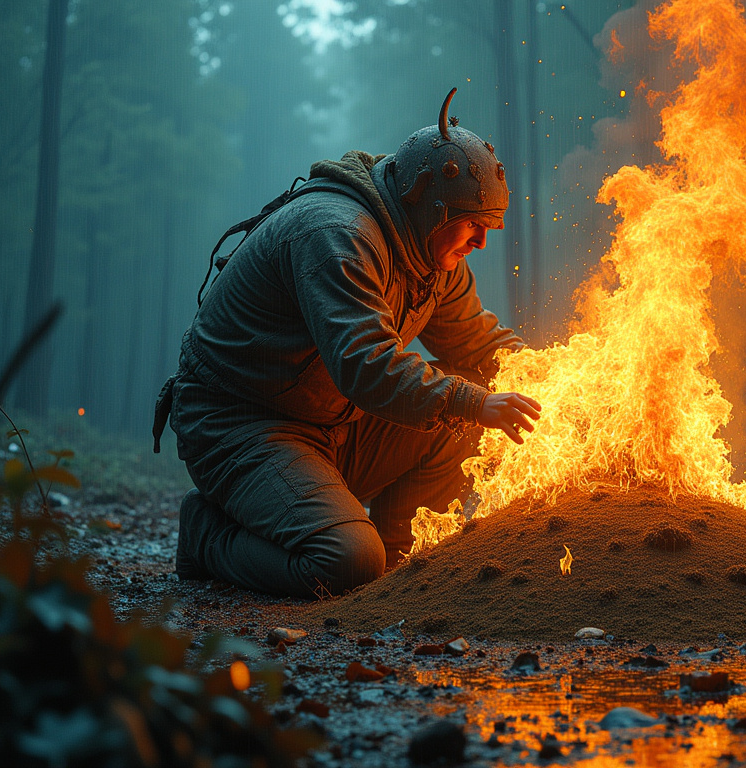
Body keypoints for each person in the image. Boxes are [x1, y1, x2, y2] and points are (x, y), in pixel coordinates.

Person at [152, 88, 541, 598]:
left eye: (488, 226)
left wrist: (553, 376)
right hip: (242, 424)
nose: (481, 241)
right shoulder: (337, 233)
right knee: (344, 561)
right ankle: (207, 536)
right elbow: (366, 365)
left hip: (334, 423)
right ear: (426, 207)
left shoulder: (430, 252)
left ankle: (399, 567)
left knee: (471, 412)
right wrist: (473, 401)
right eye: (472, 224)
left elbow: (478, 344)